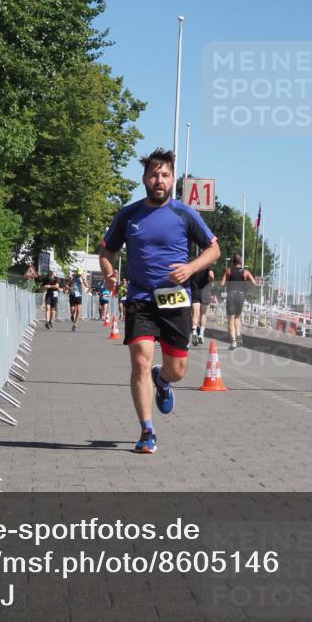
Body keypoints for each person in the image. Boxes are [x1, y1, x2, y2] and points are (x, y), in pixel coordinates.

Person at [99, 148, 220, 454]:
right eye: (154, 175)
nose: (159, 180)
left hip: (175, 300)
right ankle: (147, 431)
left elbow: (214, 250)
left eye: (165, 175)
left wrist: (190, 268)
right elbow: (107, 251)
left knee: (177, 370)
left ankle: (163, 380)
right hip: (140, 297)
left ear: (173, 180)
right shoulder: (128, 215)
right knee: (141, 360)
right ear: (144, 179)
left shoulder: (184, 214)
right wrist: (109, 273)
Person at [220, 254, 256, 350]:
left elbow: (222, 284)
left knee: (231, 319)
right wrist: (246, 289)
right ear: (241, 261)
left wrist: (227, 283)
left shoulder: (229, 270)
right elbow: (254, 283)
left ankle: (234, 341)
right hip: (241, 295)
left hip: (231, 295)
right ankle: (238, 333)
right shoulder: (246, 272)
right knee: (237, 317)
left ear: (233, 261)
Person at [190, 264, 215, 346]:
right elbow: (211, 275)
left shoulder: (193, 263)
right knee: (203, 314)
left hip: (195, 291)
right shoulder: (207, 265)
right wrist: (210, 282)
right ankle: (201, 334)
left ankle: (194, 331)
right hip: (204, 291)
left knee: (195, 313)